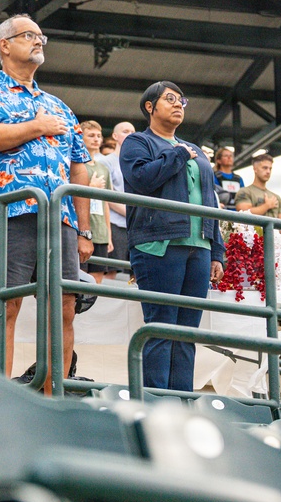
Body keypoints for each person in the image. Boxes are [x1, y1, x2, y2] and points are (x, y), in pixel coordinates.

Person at [0, 13, 92, 391]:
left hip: (59, 218)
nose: (39, 42)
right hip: (8, 212)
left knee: (65, 308)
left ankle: (54, 393)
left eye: (41, 37)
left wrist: (83, 228)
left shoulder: (59, 106)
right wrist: (36, 127)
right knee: (6, 304)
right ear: (4, 45)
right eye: (29, 35)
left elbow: (80, 168)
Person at [120, 81, 224, 392]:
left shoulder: (195, 151)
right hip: (158, 245)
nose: (178, 104)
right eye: (169, 99)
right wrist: (178, 155)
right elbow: (141, 179)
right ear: (149, 107)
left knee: (188, 334)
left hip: (199, 248)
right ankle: (155, 403)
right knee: (161, 327)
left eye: (181, 100)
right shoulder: (138, 143)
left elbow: (210, 202)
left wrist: (216, 250)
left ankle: (182, 401)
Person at [79, 120, 113, 282]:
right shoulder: (75, 165)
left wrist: (109, 235)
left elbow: (105, 203)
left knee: (97, 279)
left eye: (99, 136)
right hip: (80, 230)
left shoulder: (103, 168)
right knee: (78, 277)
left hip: (100, 231)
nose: (96, 139)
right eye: (91, 135)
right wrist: (91, 186)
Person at [100, 121, 136, 276]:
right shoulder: (106, 162)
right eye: (125, 131)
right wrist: (131, 213)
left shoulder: (137, 162)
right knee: (112, 270)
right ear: (114, 136)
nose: (130, 134)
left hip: (135, 226)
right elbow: (106, 196)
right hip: (115, 224)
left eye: (133, 131)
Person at [234, 154, 281, 218]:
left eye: (270, 168)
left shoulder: (276, 197)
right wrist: (267, 206)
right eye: (265, 168)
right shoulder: (245, 192)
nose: (268, 171)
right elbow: (243, 212)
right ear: (255, 169)